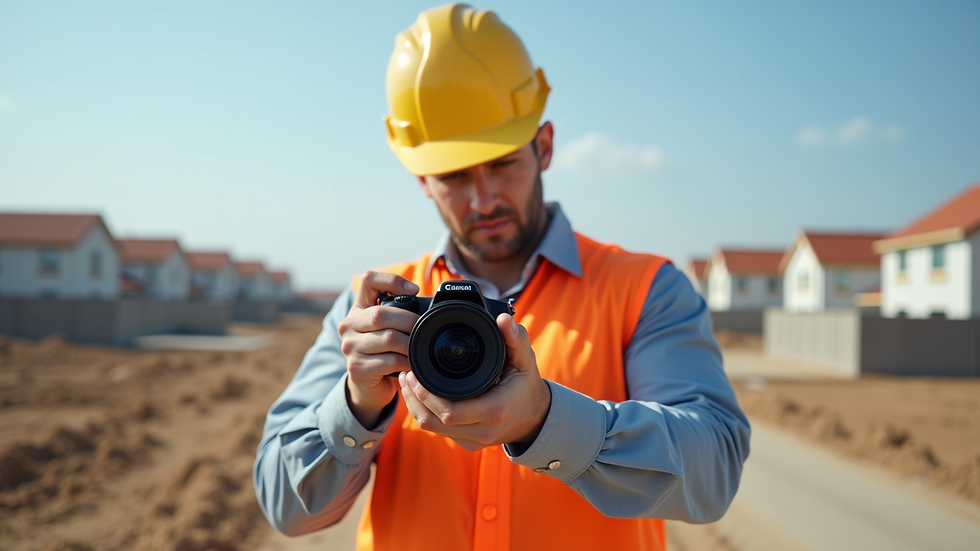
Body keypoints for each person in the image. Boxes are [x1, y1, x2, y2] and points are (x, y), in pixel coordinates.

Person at [254, 4, 750, 550]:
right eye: (455, 176)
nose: (484, 199)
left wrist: (543, 420)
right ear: (422, 179)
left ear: (543, 146)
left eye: (502, 163)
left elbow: (715, 472)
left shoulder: (645, 290)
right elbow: (285, 509)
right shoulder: (370, 311)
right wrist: (355, 405)